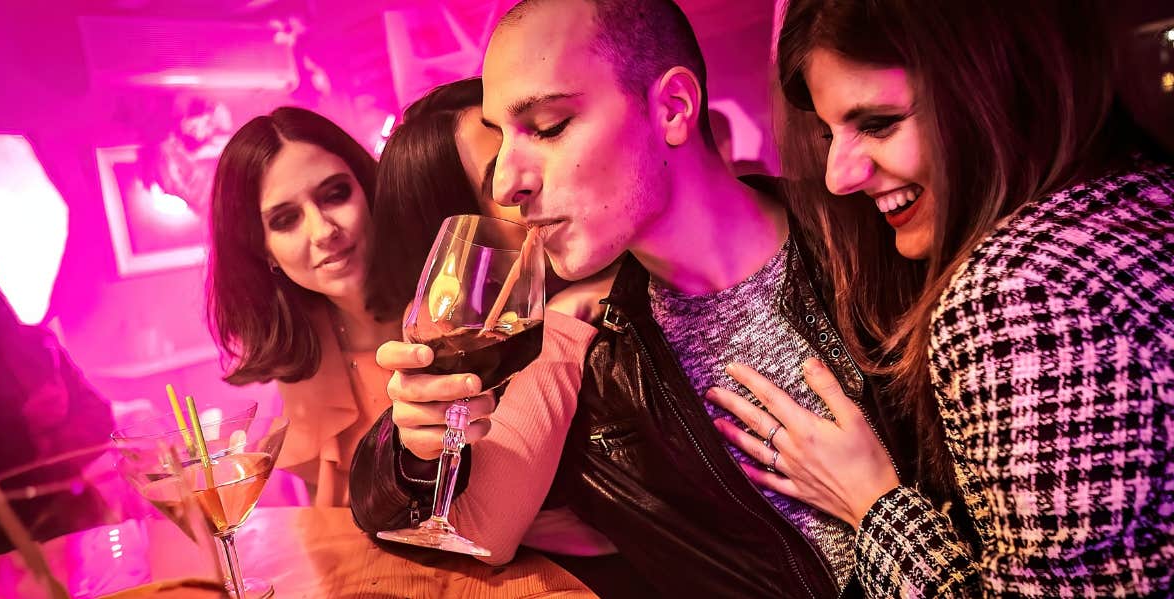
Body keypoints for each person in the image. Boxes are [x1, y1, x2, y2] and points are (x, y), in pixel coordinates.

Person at [352, 0, 913, 596]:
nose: (506, 184)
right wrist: (409, 451)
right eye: (502, 145)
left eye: (547, 127)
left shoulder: (881, 239)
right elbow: (458, 523)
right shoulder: (594, 356)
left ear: (672, 108)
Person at [709, 0, 1174, 596]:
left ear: (995, 84)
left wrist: (875, 505)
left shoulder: (1020, 298)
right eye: (829, 134)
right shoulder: (1136, 198)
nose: (836, 177)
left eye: (877, 123)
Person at [350, 76, 628, 593]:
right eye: (495, 174)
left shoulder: (626, 278)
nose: (528, 172)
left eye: (542, 133)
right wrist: (562, 318)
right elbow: (480, 528)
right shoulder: (480, 327)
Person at [206, 106, 406, 507]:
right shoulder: (307, 353)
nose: (323, 231)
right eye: (285, 220)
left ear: (367, 190)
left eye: (335, 194)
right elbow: (331, 517)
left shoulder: (449, 300)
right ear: (265, 253)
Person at [0, 251, 115, 552]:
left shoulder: (37, 345)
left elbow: (101, 417)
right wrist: (27, 426)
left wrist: (50, 438)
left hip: (75, 515)